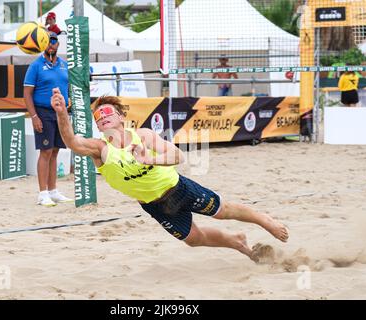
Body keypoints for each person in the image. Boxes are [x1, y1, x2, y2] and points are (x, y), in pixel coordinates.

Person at [50, 92, 289, 260]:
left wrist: (149, 159)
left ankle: (264, 220)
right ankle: (240, 244)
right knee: (194, 239)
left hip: (178, 188)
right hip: (155, 205)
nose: (103, 118)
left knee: (222, 211)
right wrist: (61, 113)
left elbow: (177, 156)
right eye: (99, 118)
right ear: (99, 127)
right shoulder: (100, 149)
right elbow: (72, 141)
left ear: (122, 117)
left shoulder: (142, 136)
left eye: (108, 113)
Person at [23, 32, 72, 206]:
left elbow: (68, 87)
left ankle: (53, 190)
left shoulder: (64, 65)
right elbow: (27, 94)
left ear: (58, 44)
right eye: (49, 42)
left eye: (54, 41)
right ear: (43, 44)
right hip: (43, 112)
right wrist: (34, 116)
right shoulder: (36, 65)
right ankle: (42, 193)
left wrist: (69, 101)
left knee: (56, 151)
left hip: (61, 113)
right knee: (45, 151)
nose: (52, 44)